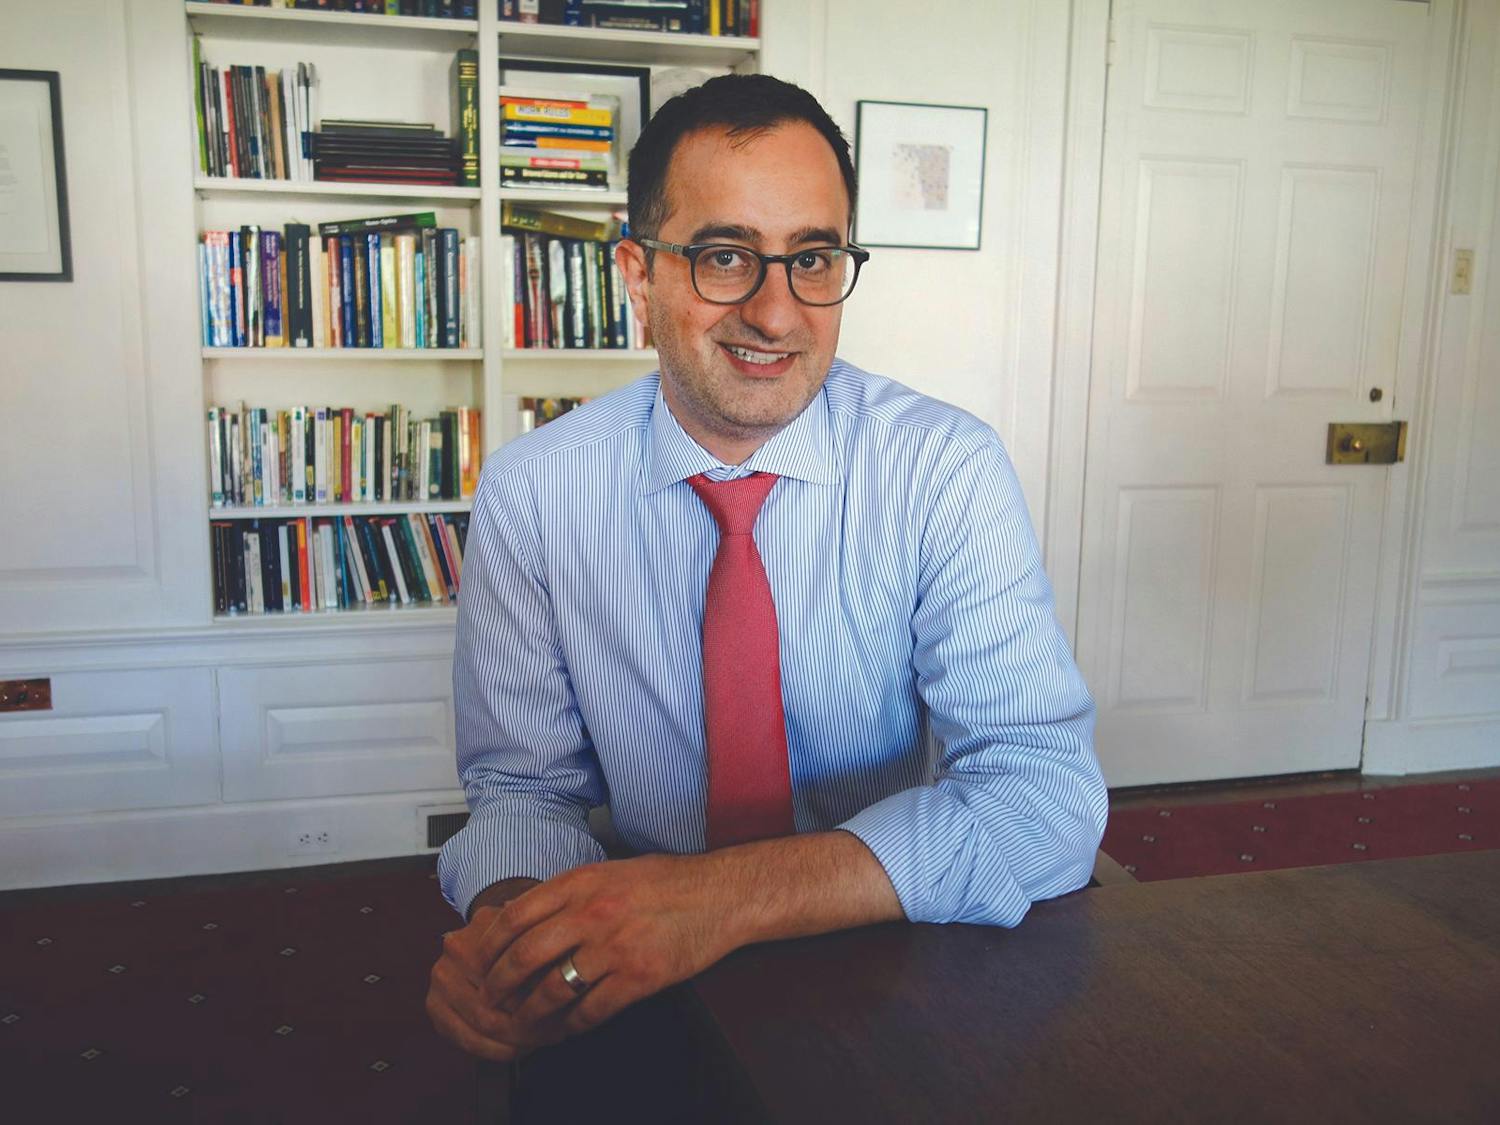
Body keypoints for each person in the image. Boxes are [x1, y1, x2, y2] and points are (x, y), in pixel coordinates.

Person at [427, 73, 1107, 1063]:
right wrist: (521, 941)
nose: (778, 314)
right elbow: (524, 793)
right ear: (637, 274)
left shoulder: (944, 469)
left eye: (814, 258)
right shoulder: (533, 492)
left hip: (887, 952)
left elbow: (1042, 798)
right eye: (724, 256)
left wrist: (715, 902)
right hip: (631, 977)